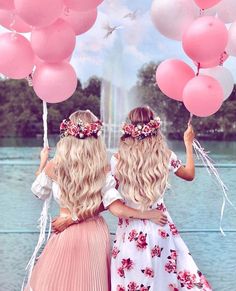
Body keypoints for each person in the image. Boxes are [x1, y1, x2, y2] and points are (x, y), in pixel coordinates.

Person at [25, 109, 167, 291]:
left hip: (64, 232)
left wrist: (43, 164)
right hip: (95, 235)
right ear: (95, 137)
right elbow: (113, 208)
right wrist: (149, 214)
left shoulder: (54, 166)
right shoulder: (103, 169)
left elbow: (38, 192)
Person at [110, 107, 212, 291]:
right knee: (163, 283)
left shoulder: (118, 160)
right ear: (155, 128)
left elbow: (111, 199)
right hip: (160, 226)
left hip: (130, 233)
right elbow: (189, 174)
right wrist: (188, 143)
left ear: (129, 128)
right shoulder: (165, 155)